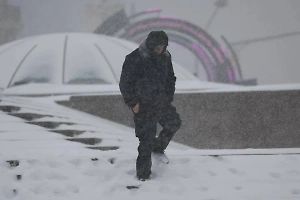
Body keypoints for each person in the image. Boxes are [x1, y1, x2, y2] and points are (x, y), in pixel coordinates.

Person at [119, 30, 181, 181]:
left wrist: (168, 96)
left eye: (162, 47)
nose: (160, 50)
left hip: (161, 102)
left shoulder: (166, 57)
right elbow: (125, 83)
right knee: (146, 140)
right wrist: (133, 103)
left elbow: (170, 78)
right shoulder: (134, 58)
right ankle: (143, 176)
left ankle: (158, 147)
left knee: (173, 123)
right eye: (157, 47)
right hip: (144, 106)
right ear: (150, 45)